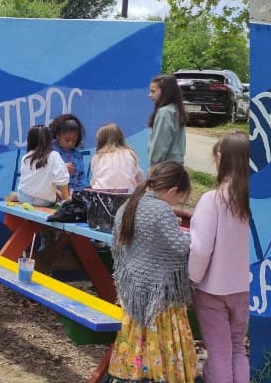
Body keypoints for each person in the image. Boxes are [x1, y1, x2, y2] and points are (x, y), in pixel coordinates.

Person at [106, 161, 197, 382]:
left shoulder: (127, 206)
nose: (177, 203)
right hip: (160, 296)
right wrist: (192, 237)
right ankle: (161, 376)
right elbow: (180, 248)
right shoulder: (161, 209)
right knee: (162, 341)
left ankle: (130, 375)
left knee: (136, 341)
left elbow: (117, 247)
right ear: (173, 191)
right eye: (179, 199)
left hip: (132, 295)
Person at [189, 131, 251, 383]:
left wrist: (191, 278)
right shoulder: (256, 198)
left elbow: (201, 249)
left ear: (221, 158)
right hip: (246, 287)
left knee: (218, 351)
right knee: (238, 347)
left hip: (213, 290)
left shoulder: (212, 200)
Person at [10, 125, 71, 206]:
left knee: (55, 192)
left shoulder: (26, 157)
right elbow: (62, 180)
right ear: (49, 140)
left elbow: (33, 179)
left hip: (23, 197)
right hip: (43, 201)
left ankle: (15, 195)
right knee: (58, 196)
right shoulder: (54, 155)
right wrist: (66, 198)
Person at [147, 74, 188, 166]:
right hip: (176, 165)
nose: (149, 95)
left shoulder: (164, 113)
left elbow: (159, 144)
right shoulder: (175, 109)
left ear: (165, 92)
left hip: (163, 168)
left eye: (153, 91)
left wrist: (153, 166)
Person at [90, 123, 142, 191]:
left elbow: (94, 179)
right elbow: (138, 178)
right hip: (126, 195)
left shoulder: (97, 156)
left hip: (102, 196)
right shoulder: (130, 153)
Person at [48, 114, 89, 192]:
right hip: (53, 194)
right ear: (58, 135)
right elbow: (43, 174)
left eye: (74, 141)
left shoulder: (77, 155)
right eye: (67, 140)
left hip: (73, 195)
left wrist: (79, 192)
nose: (70, 143)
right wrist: (62, 168)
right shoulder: (50, 151)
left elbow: (82, 177)